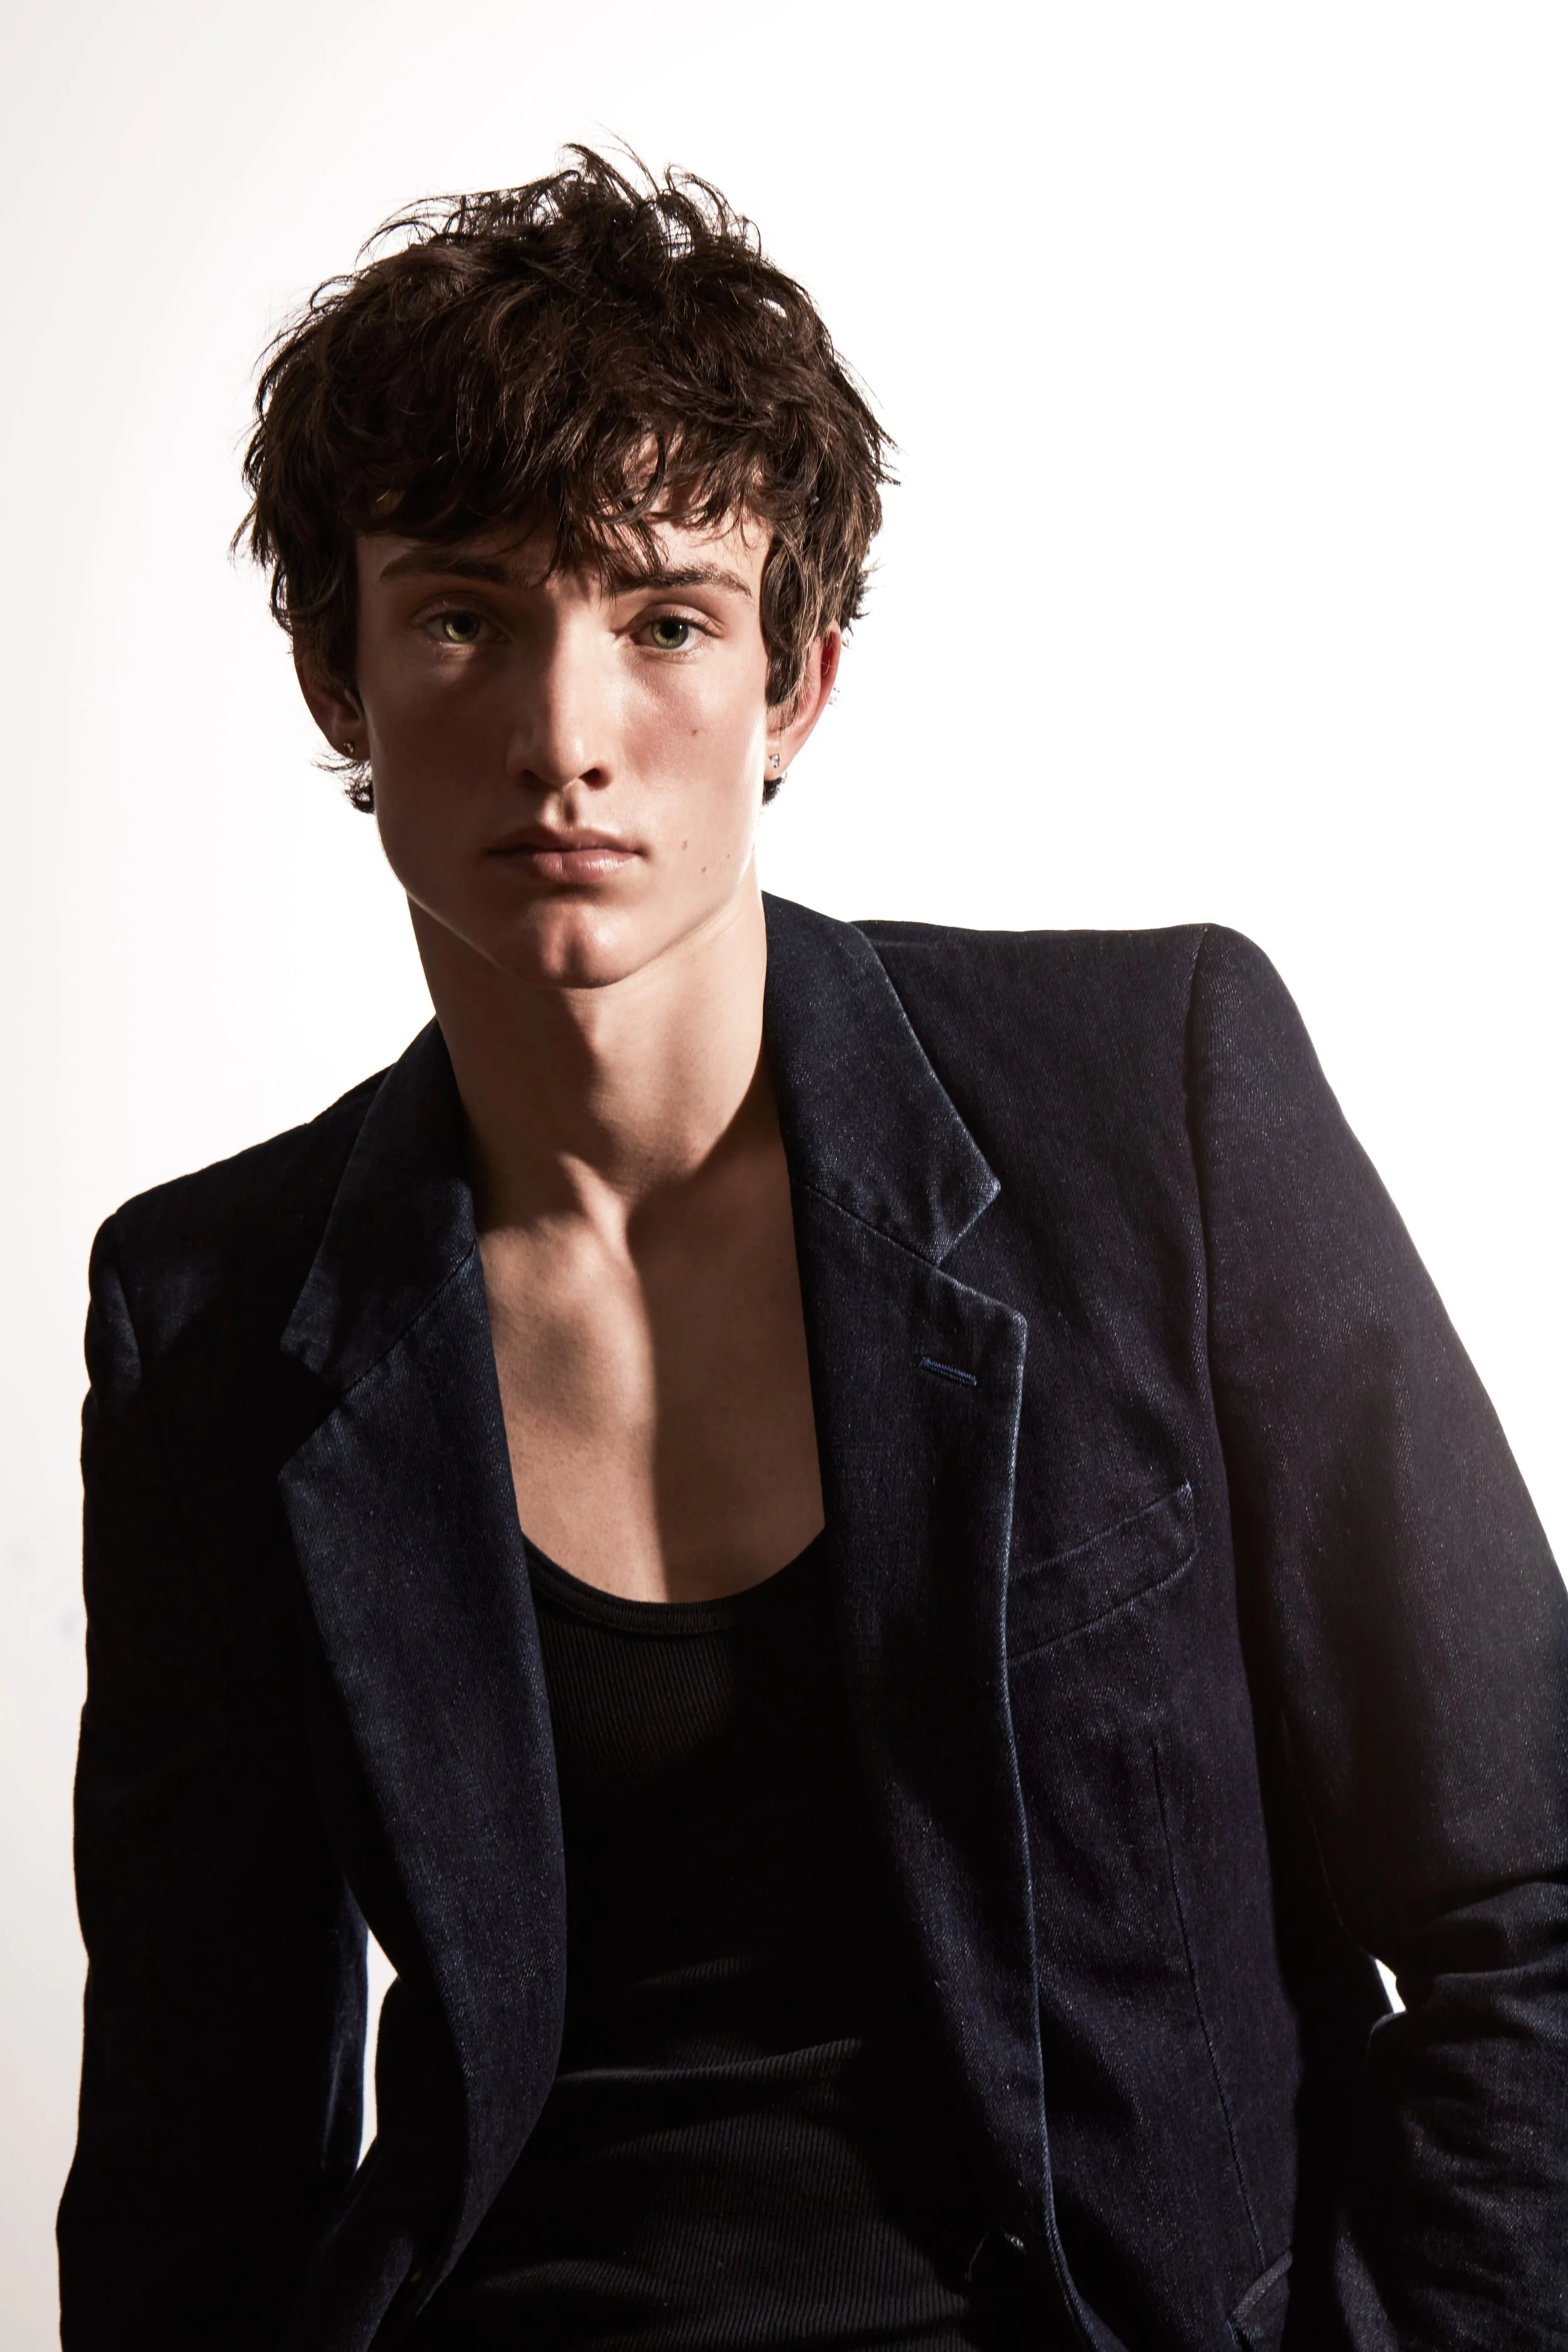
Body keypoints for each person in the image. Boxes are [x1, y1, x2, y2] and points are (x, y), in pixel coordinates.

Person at [58, 151, 1567, 2352]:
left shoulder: (1148, 1102)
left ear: (796, 683)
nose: (565, 734)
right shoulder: (211, 1309)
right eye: (464, 614)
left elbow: (1521, 1891)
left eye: (664, 618)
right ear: (340, 681)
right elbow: (193, 2141)